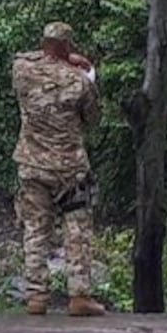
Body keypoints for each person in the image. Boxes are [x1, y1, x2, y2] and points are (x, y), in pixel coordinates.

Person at [12, 22, 106, 317]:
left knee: (36, 229)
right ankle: (79, 296)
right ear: (68, 46)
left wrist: (56, 56)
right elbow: (93, 119)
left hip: (32, 164)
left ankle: (36, 296)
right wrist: (81, 67)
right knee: (77, 230)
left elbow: (28, 56)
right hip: (71, 170)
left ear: (43, 45)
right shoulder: (79, 82)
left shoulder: (21, 71)